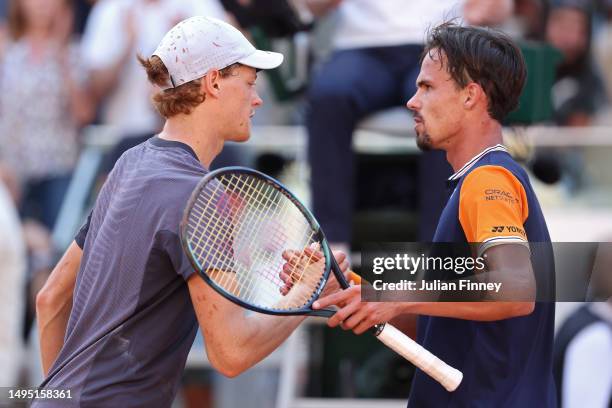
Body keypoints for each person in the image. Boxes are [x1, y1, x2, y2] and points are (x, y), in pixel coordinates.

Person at [35, 16, 347, 406]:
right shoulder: (203, 196)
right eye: (249, 83)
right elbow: (231, 353)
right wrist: (307, 292)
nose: (257, 98)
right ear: (213, 82)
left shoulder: (130, 162)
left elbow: (50, 299)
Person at [313, 23, 557, 407]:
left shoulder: (487, 180)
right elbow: (440, 325)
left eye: (426, 87)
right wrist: (359, 293)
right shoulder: (474, 183)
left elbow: (515, 292)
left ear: (470, 96)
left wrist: (398, 296)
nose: (412, 101)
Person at [304, 0, 515, 250]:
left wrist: (489, 10)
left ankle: (441, 247)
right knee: (329, 96)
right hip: (360, 46)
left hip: (444, 42)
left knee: (447, 103)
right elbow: (313, 7)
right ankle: (332, 246)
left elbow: (500, 8)